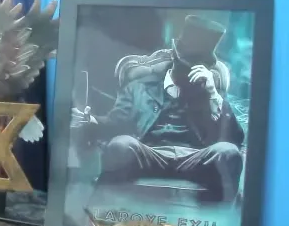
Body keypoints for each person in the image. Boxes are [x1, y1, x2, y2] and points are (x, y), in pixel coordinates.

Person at [72, 14, 244, 204]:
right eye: (186, 65)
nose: (189, 72)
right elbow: (115, 123)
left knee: (228, 152)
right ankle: (103, 209)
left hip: (195, 158)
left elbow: (234, 139)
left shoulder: (210, 92)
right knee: (121, 144)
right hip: (149, 154)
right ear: (175, 58)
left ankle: (217, 216)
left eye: (196, 67)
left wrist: (212, 94)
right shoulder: (138, 88)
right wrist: (92, 121)